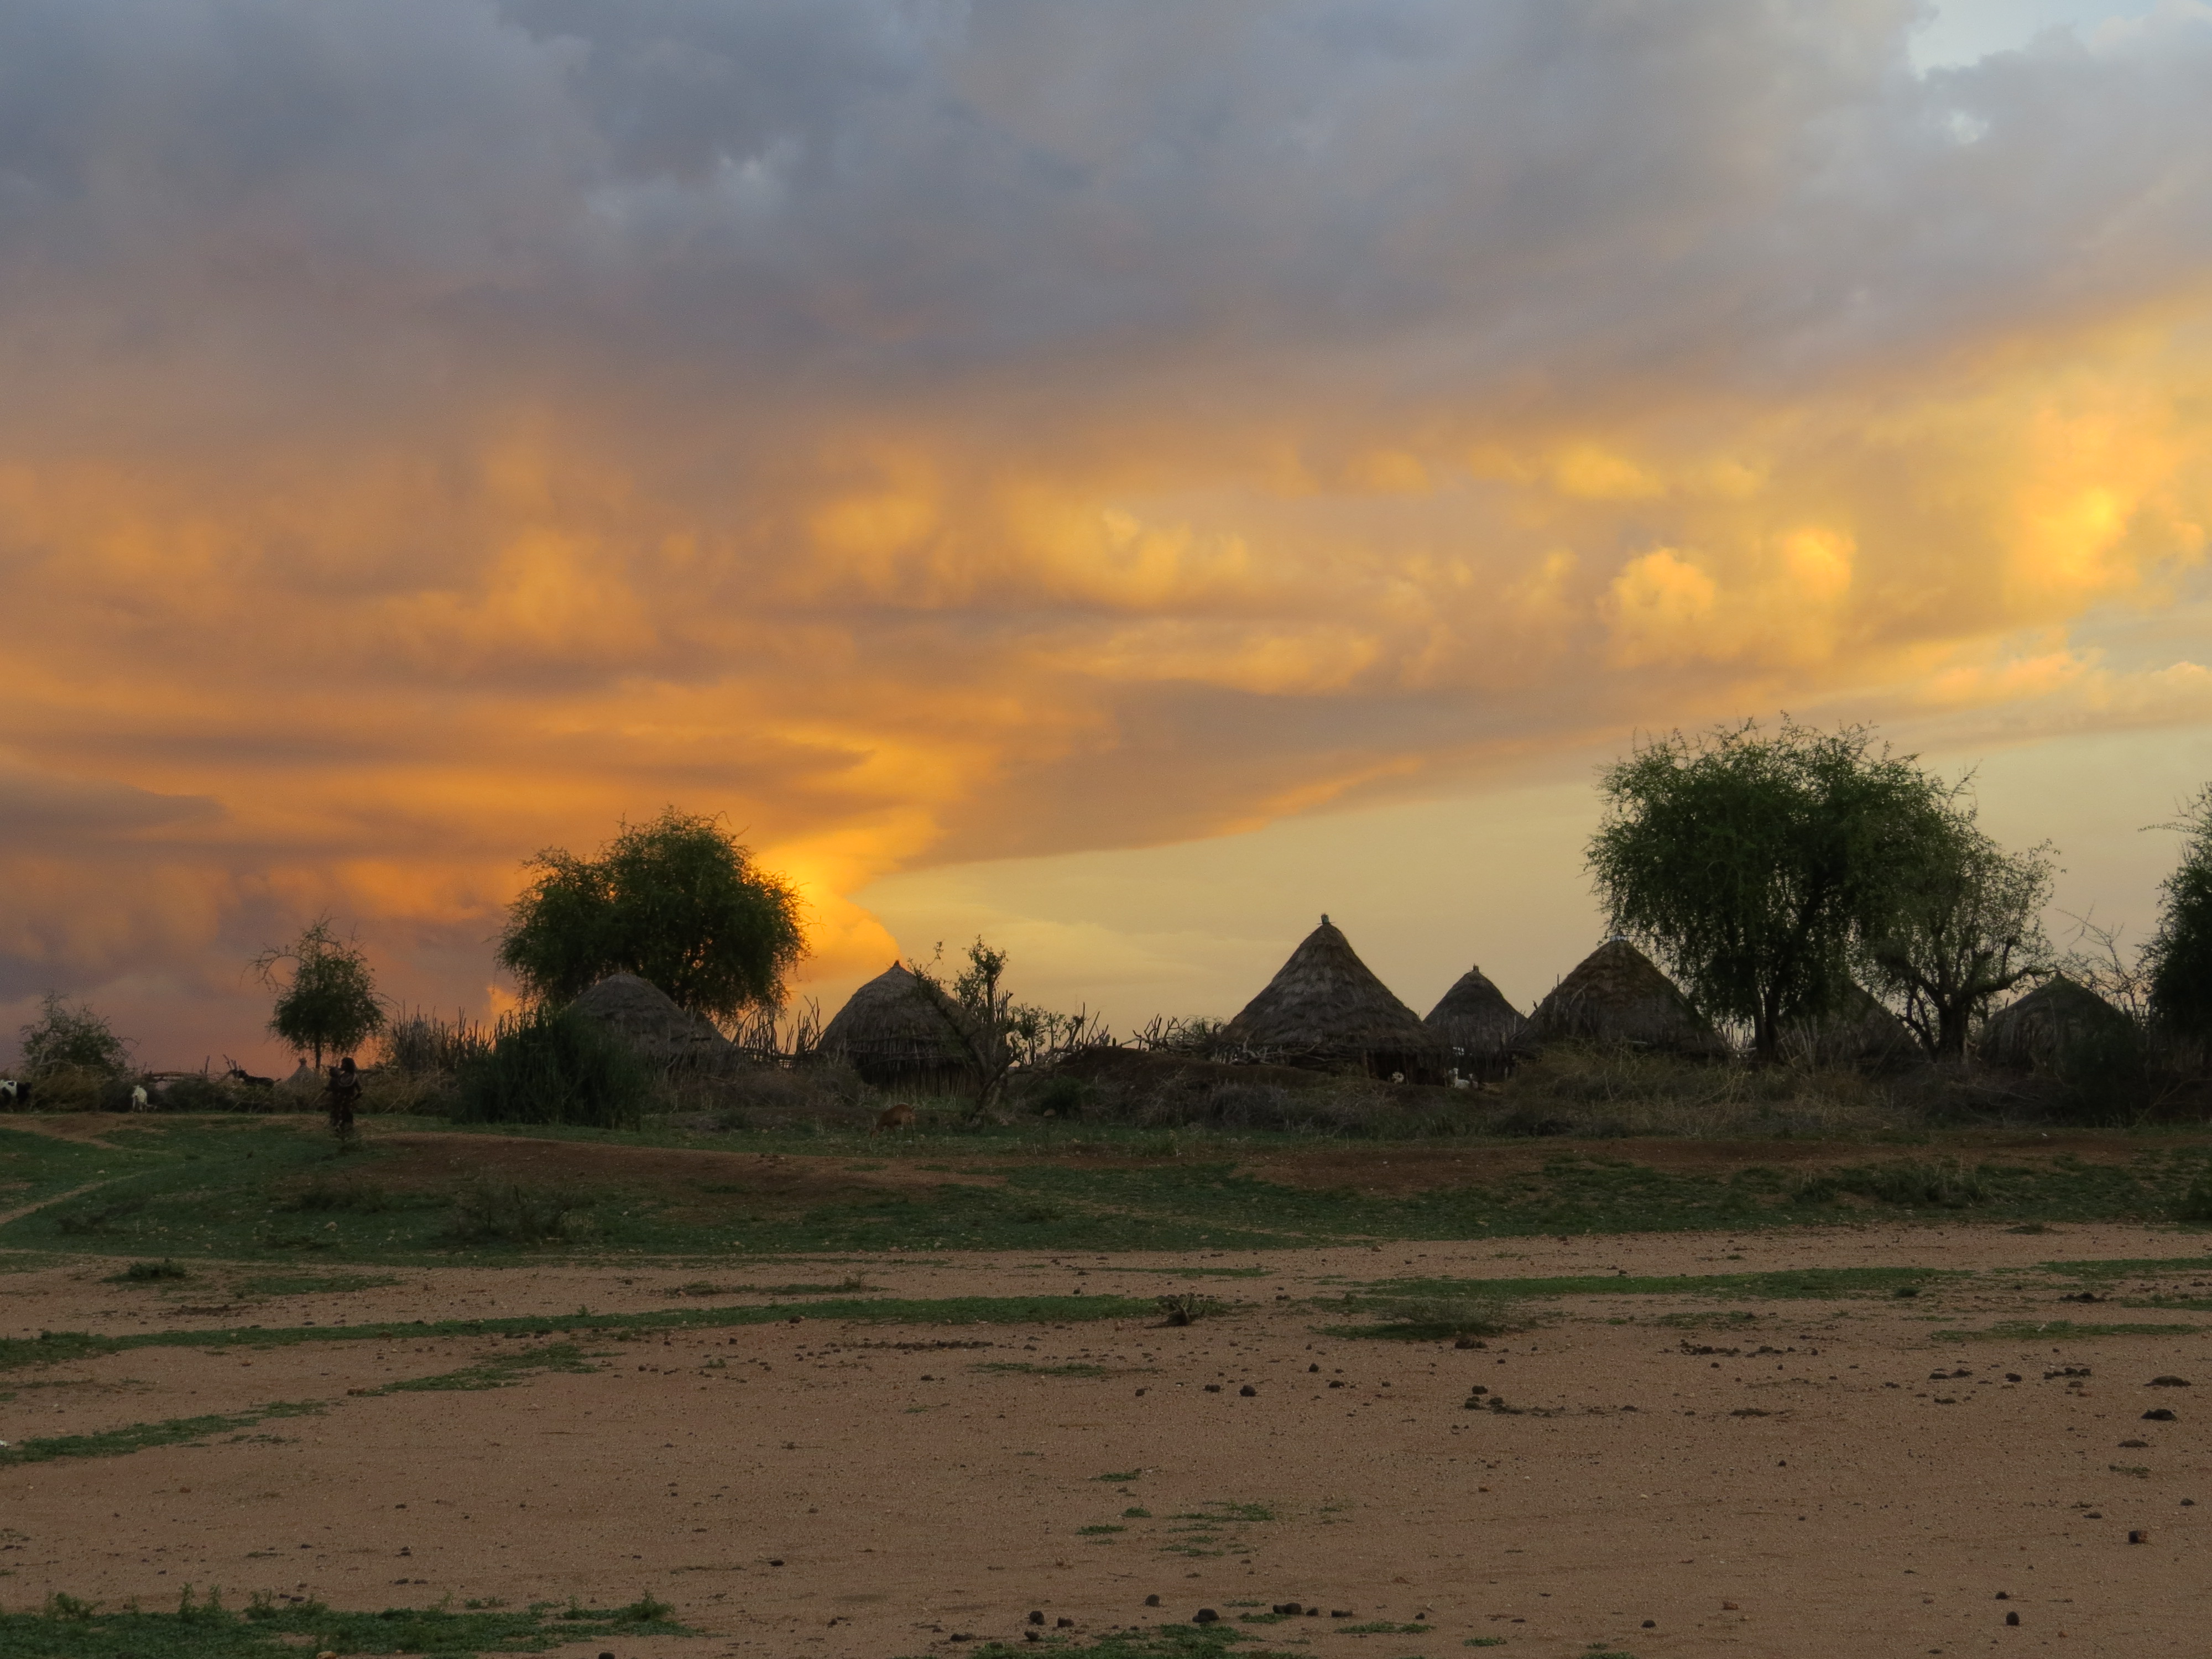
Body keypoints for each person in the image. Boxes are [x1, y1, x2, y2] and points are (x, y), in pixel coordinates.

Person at [326, 1055, 362, 1139]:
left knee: (348, 1117)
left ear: (349, 1065)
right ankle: (339, 1134)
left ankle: (349, 1134)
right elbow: (337, 1089)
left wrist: (353, 1099)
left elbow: (361, 1092)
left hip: (348, 1101)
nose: (342, 1066)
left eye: (344, 1064)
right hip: (339, 1101)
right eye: (342, 1064)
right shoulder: (341, 1077)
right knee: (338, 1116)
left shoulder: (354, 1077)